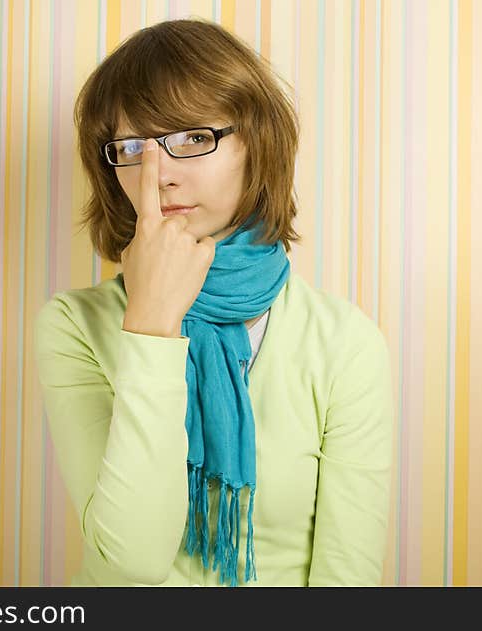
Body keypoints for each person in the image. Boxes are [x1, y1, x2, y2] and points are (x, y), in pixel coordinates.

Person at [34, 18, 394, 587]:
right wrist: (151, 324)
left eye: (192, 139)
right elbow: (132, 562)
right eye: (131, 148)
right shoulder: (74, 325)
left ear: (258, 142)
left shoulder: (344, 342)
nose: (159, 175)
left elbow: (347, 577)